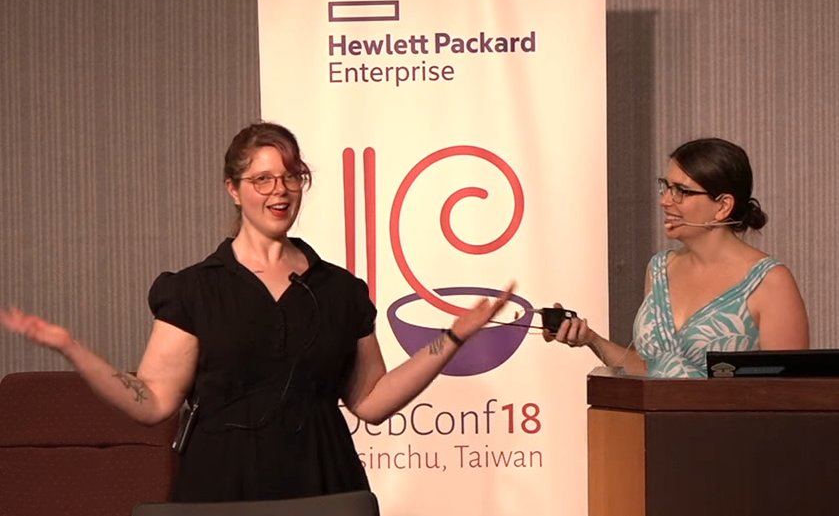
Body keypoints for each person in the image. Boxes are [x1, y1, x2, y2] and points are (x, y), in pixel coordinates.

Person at [0, 121, 512, 501]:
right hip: (222, 486)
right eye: (262, 179)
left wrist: (452, 337)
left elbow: (372, 400)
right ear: (234, 189)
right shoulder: (195, 290)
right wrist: (72, 348)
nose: (279, 191)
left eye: (291, 177)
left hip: (323, 483)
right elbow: (152, 401)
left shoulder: (340, 291)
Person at [545, 137, 809, 378]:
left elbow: (791, 392)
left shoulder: (770, 281)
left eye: (682, 191)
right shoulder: (659, 268)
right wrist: (591, 339)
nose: (665, 201)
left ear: (722, 206)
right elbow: (652, 369)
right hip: (654, 418)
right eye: (666, 187)